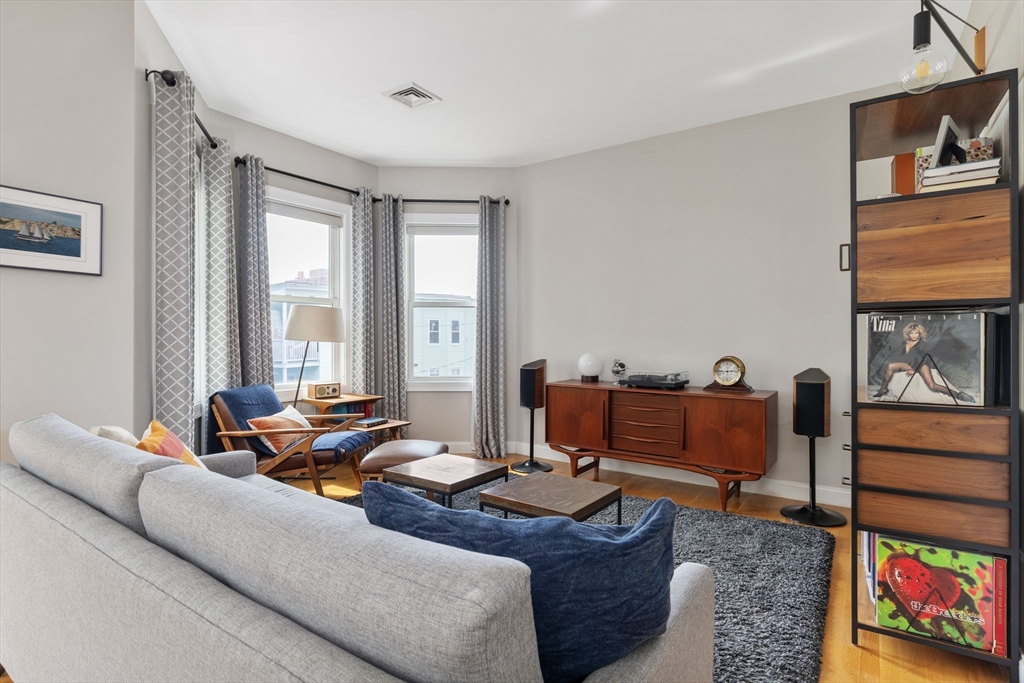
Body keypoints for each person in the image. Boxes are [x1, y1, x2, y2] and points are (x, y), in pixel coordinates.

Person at [873, 322, 976, 403]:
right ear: (908, 333)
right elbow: (903, 357)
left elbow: (921, 358)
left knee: (932, 386)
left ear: (920, 334)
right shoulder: (905, 343)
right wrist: (907, 367)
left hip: (922, 365)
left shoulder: (922, 344)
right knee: (891, 366)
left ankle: (958, 395)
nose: (914, 335)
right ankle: (883, 390)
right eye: (911, 333)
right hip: (909, 364)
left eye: (916, 333)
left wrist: (912, 369)